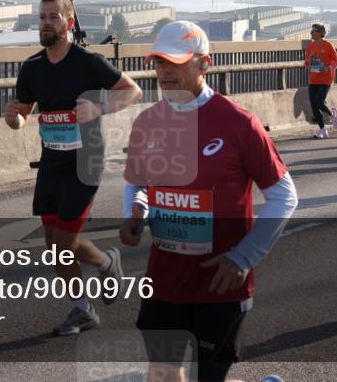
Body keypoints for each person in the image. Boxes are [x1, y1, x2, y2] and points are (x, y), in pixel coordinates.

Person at [122, 21, 298, 382]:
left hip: (221, 285)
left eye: (176, 61)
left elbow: (284, 196)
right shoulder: (147, 123)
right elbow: (137, 183)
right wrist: (134, 210)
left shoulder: (238, 123)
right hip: (164, 280)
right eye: (159, 62)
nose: (165, 71)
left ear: (204, 65)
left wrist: (243, 258)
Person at [6, 0, 143, 336]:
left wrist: (100, 108)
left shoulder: (87, 62)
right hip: (51, 161)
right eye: (42, 17)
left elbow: (132, 91)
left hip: (85, 161)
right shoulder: (32, 67)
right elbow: (22, 114)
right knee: (54, 245)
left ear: (69, 23)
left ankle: (104, 266)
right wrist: (14, 120)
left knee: (65, 242)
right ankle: (86, 302)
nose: (46, 23)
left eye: (53, 17)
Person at [305, 23, 337, 139]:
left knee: (319, 102)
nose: (311, 33)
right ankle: (322, 130)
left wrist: (329, 68)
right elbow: (306, 63)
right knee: (314, 106)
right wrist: (309, 62)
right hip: (313, 79)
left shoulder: (328, 45)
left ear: (320, 33)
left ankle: (332, 115)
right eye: (311, 31)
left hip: (326, 78)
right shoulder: (311, 46)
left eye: (313, 31)